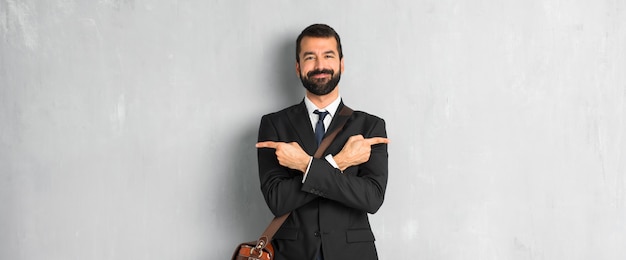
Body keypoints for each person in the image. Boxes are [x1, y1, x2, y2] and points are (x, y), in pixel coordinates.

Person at [255, 24, 389, 260]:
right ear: (298, 67)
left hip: (353, 254)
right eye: (310, 57)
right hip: (293, 254)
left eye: (328, 55)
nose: (320, 66)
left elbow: (371, 198)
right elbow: (277, 200)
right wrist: (340, 162)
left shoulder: (370, 127)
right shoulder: (274, 124)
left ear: (341, 64)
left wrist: (305, 165)